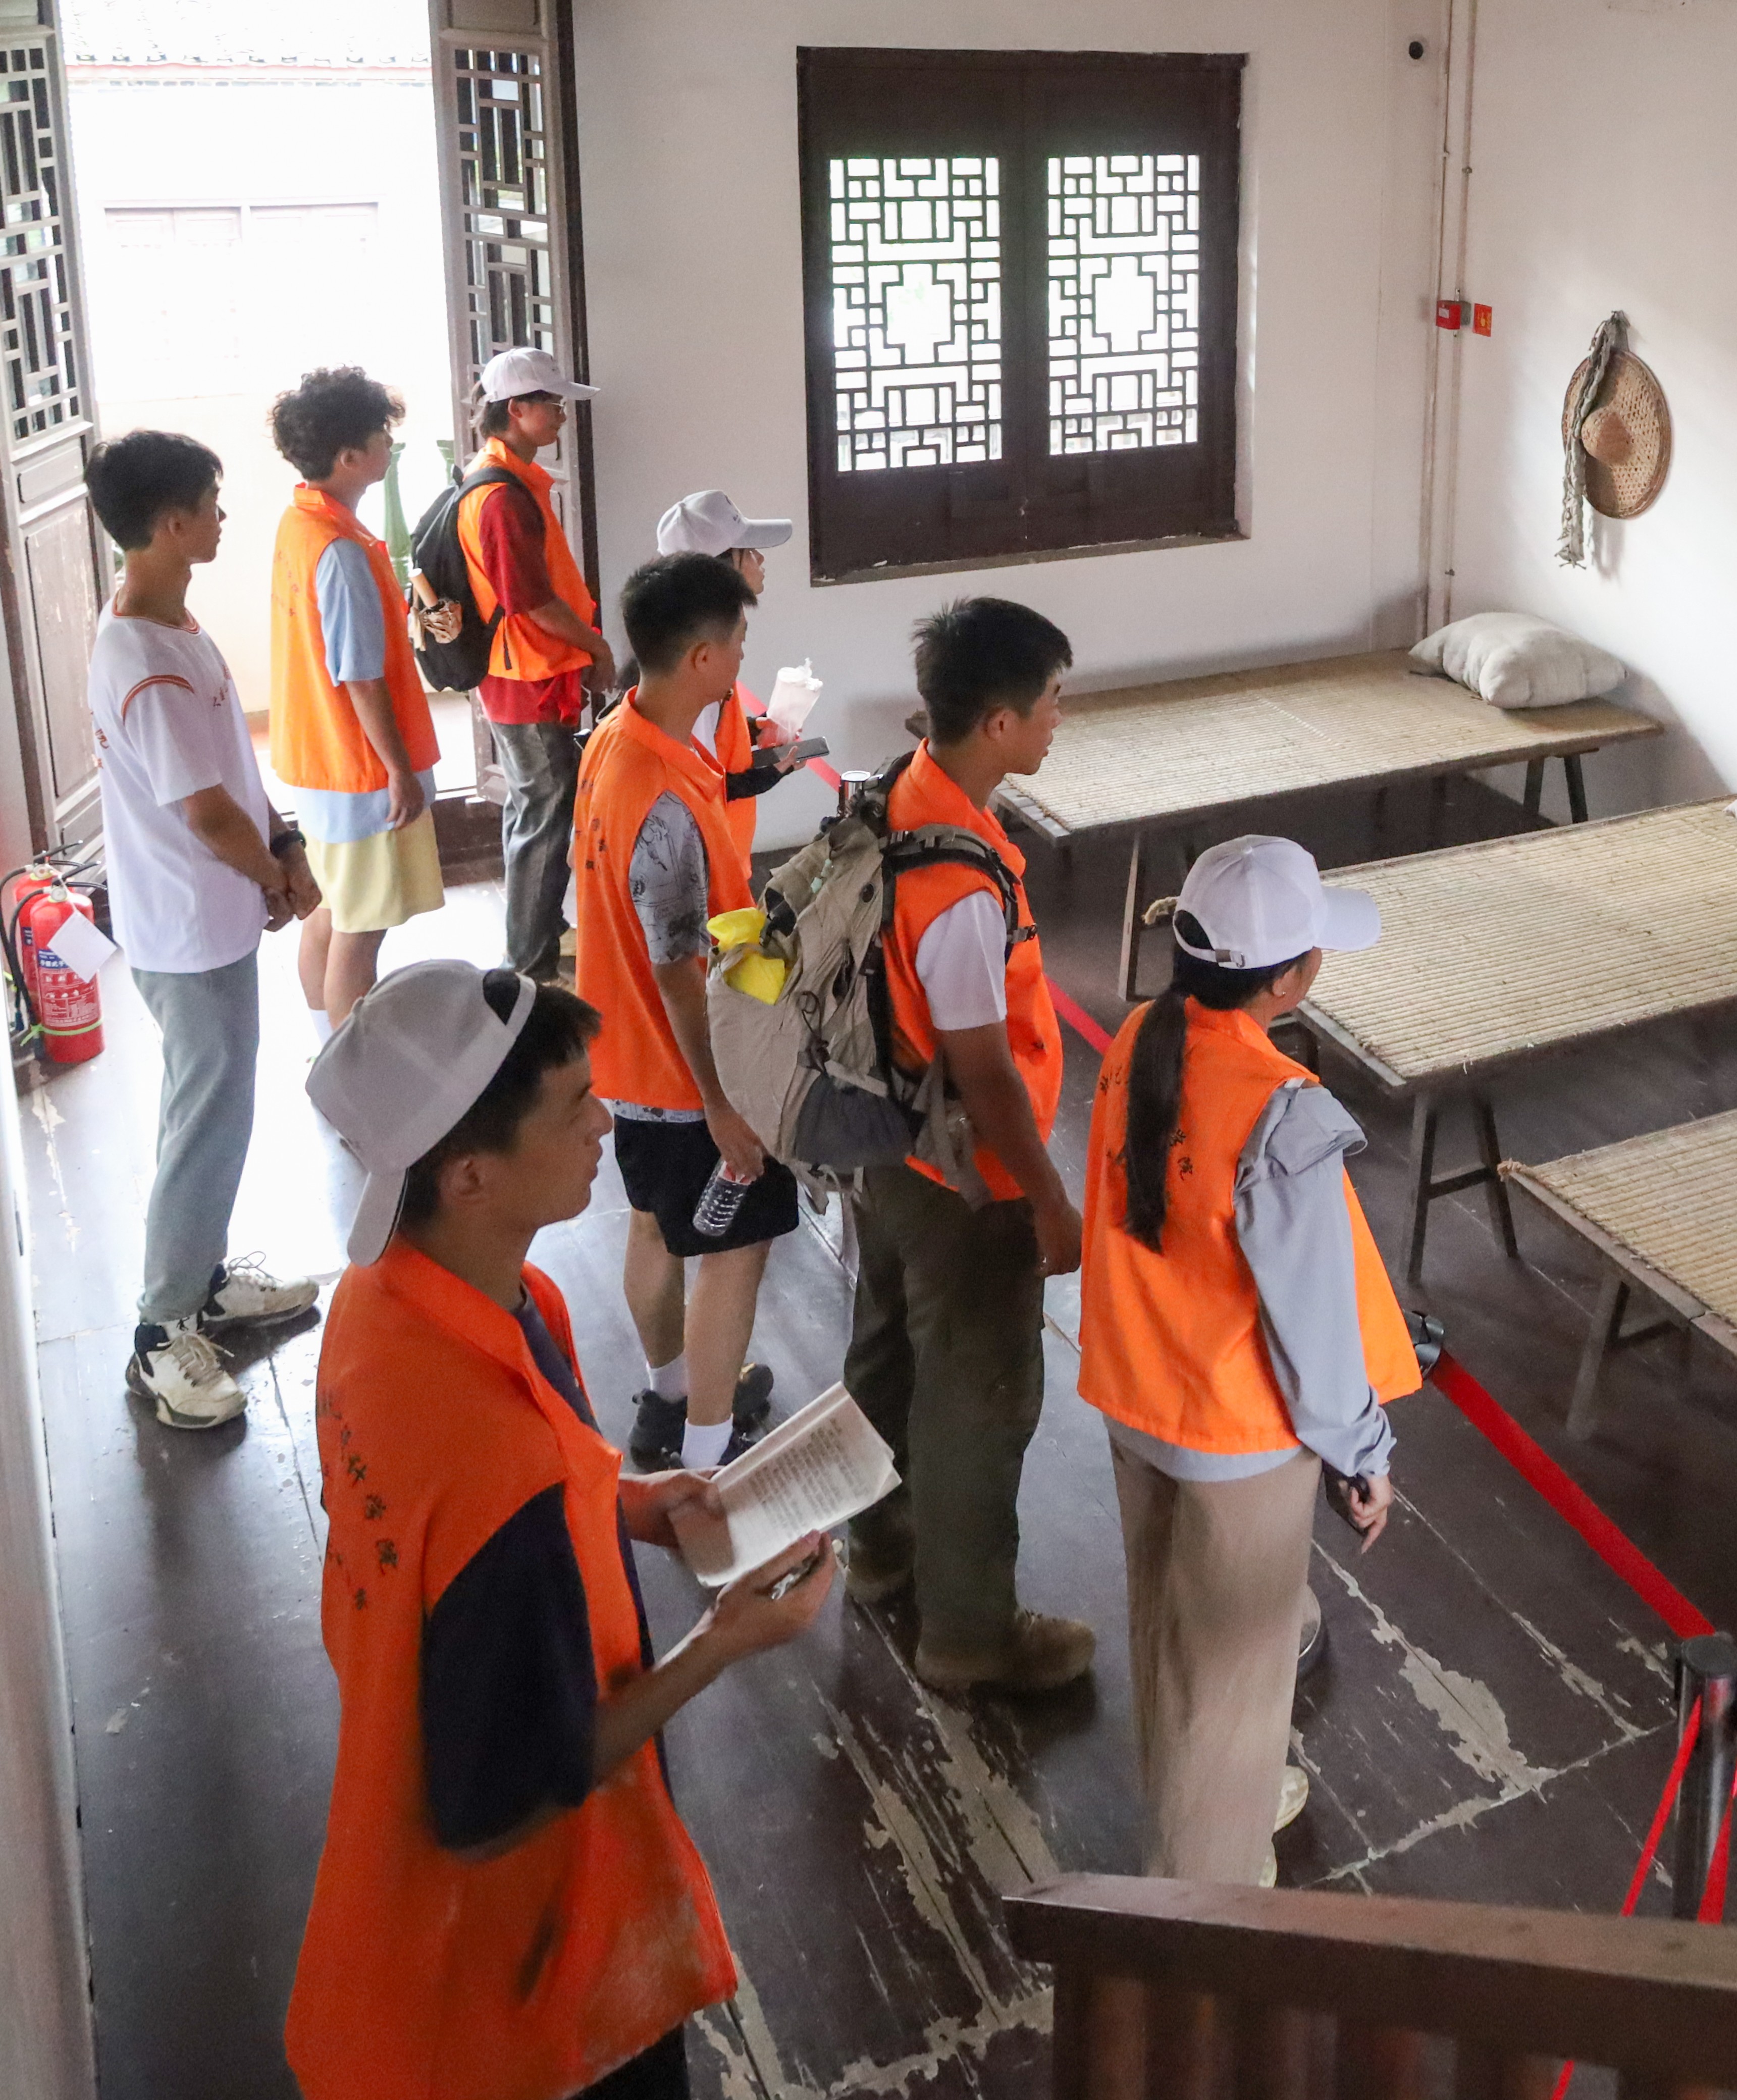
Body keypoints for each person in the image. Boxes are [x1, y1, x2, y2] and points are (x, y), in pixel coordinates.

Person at [286, 959, 835, 2100]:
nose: (604, 1124)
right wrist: (721, 1642)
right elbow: (494, 1810)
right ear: (469, 1175)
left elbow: (471, 1524)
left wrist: (632, 1503)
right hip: (517, 1977)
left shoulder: (390, 1303)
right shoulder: (503, 1468)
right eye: (574, 1105)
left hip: (390, 1878)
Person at [1076, 836, 1423, 1884]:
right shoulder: (1283, 1112)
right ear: (1290, 979)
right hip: (1238, 1430)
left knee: (1171, 1633)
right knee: (1231, 1675)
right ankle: (1204, 1892)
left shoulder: (1143, 1034)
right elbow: (1314, 1324)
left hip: (1136, 1391)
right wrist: (1363, 1454)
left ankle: (1211, 1797)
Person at [843, 596, 1092, 1695]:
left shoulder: (900, 795)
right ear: (998, 722)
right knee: (978, 1398)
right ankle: (970, 1636)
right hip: (964, 1176)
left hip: (886, 1139)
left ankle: (879, 1547)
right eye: (1050, 703)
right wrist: (1045, 1198)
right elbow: (985, 1071)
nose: (1058, 720)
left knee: (888, 1351)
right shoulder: (959, 887)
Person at [82, 430, 322, 1429]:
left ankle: (206, 1281)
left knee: (218, 1105)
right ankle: (161, 1329)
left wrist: (286, 840)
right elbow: (208, 814)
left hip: (211, 916)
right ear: (173, 523)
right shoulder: (144, 659)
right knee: (205, 1117)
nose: (223, 517)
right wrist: (275, 876)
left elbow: (234, 771)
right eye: (212, 504)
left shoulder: (172, 622)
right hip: (186, 926)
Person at [570, 555, 792, 1471]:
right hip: (682, 1067)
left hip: (622, 1053)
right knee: (736, 1251)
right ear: (703, 657)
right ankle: (708, 1452)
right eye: (738, 641)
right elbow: (678, 970)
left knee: (654, 1224)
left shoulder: (615, 738)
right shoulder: (661, 799)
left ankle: (670, 1397)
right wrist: (722, 1102)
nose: (743, 658)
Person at [267, 366, 442, 1030]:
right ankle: (349, 1061)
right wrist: (399, 770)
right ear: (349, 457)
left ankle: (326, 1042)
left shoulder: (301, 521)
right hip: (359, 768)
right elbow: (360, 677)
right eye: (380, 436)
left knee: (331, 908)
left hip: (320, 761)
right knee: (361, 930)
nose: (388, 446)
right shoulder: (339, 550)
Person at [460, 345, 613, 985]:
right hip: (524, 676)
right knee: (544, 814)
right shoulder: (501, 495)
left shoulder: (509, 478)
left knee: (538, 808)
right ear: (517, 409)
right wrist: (597, 648)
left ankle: (540, 934)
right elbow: (532, 601)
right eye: (552, 404)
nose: (561, 416)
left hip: (529, 671)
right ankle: (527, 965)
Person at [652, 490, 804, 857]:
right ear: (719, 570)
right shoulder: (701, 663)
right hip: (710, 856)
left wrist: (749, 730)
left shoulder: (685, 638)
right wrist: (766, 776)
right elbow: (693, 784)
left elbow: (703, 740)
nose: (760, 559)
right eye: (748, 551)